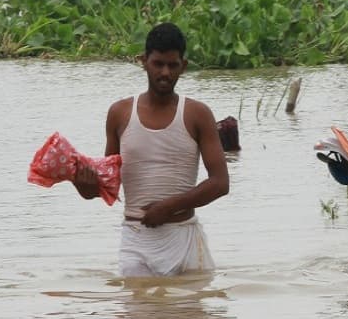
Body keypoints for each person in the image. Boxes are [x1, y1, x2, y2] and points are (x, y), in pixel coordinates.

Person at [72, 23, 230, 277]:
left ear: (184, 66)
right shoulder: (120, 113)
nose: (165, 73)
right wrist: (83, 185)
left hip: (185, 239)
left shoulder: (197, 114)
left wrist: (169, 207)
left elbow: (220, 183)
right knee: (138, 313)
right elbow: (108, 186)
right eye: (158, 64)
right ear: (144, 61)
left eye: (172, 65)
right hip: (136, 241)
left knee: (190, 314)